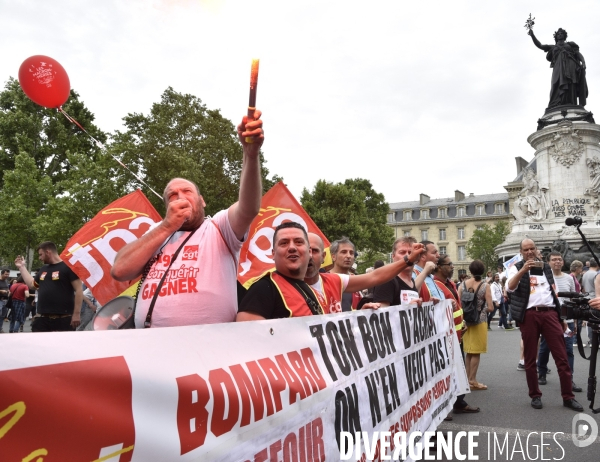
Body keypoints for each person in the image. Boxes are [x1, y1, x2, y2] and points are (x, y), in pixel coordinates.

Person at [111, 111, 264, 328]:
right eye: (172, 195)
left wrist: (250, 154)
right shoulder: (157, 231)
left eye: (187, 191)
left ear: (202, 201)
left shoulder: (218, 228)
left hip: (209, 344)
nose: (180, 197)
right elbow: (120, 270)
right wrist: (167, 226)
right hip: (151, 343)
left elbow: (249, 208)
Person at [237, 225, 424, 321]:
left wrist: (357, 317)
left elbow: (374, 277)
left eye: (300, 244)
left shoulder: (331, 281)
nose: (293, 248)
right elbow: (250, 349)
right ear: (272, 253)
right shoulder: (264, 288)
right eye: (284, 243)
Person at [506, 238, 583, 411]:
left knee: (562, 357)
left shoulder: (545, 267)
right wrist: (523, 270)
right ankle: (535, 395)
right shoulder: (515, 268)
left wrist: (561, 318)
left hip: (550, 314)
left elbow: (553, 292)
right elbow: (510, 287)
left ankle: (568, 397)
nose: (529, 252)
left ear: (536, 249)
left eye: (532, 248)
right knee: (530, 358)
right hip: (530, 315)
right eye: (526, 250)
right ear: (521, 252)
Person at [433, 255, 479, 415]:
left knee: (457, 369)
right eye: (449, 264)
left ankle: (459, 402)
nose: (452, 267)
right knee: (446, 371)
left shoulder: (449, 283)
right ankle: (447, 406)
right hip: (446, 335)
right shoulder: (435, 285)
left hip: (457, 333)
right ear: (439, 267)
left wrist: (463, 323)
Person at [537, 252, 581, 392]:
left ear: (563, 262)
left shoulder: (569, 278)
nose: (557, 262)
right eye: (554, 260)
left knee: (568, 351)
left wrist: (574, 321)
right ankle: (542, 373)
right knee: (545, 349)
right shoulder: (544, 278)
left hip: (567, 319)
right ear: (548, 262)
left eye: (559, 259)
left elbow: (573, 300)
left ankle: (569, 379)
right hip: (550, 320)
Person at [15, 242, 84, 332]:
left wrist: (76, 314)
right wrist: (22, 267)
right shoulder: (43, 269)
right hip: (42, 319)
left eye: (41, 254)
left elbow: (79, 290)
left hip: (63, 319)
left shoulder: (68, 267)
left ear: (48, 252)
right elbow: (32, 285)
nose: (39, 258)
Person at [528, 28, 588, 108]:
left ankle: (571, 103)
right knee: (556, 83)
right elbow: (540, 45)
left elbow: (578, 54)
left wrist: (583, 61)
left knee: (570, 83)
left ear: (564, 35)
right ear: (556, 36)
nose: (560, 35)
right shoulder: (552, 47)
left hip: (570, 66)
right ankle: (557, 103)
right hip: (558, 67)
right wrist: (532, 35)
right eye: (558, 34)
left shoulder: (570, 45)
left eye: (561, 33)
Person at [458, 260, 493, 391]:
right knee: (476, 352)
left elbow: (458, 302)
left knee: (469, 351)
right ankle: (473, 380)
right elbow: (490, 307)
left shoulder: (462, 284)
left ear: (470, 271)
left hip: (466, 321)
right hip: (479, 321)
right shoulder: (485, 286)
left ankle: (467, 379)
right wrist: (480, 310)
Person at [372, 237, 433, 308]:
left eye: (411, 253)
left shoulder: (412, 282)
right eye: (402, 252)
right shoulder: (386, 280)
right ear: (393, 256)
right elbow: (382, 315)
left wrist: (429, 305)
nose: (407, 256)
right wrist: (408, 308)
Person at [329, 237, 362, 311]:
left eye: (351, 253)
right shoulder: (323, 280)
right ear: (333, 256)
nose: (348, 256)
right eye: (344, 252)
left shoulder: (357, 280)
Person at [0, 268, 10, 333]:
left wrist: (8, 291)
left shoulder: (6, 281)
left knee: (2, 316)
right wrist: (1, 291)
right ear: (2, 274)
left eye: (8, 274)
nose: (7, 276)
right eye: (6, 274)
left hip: (5, 300)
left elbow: (7, 288)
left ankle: (0, 328)